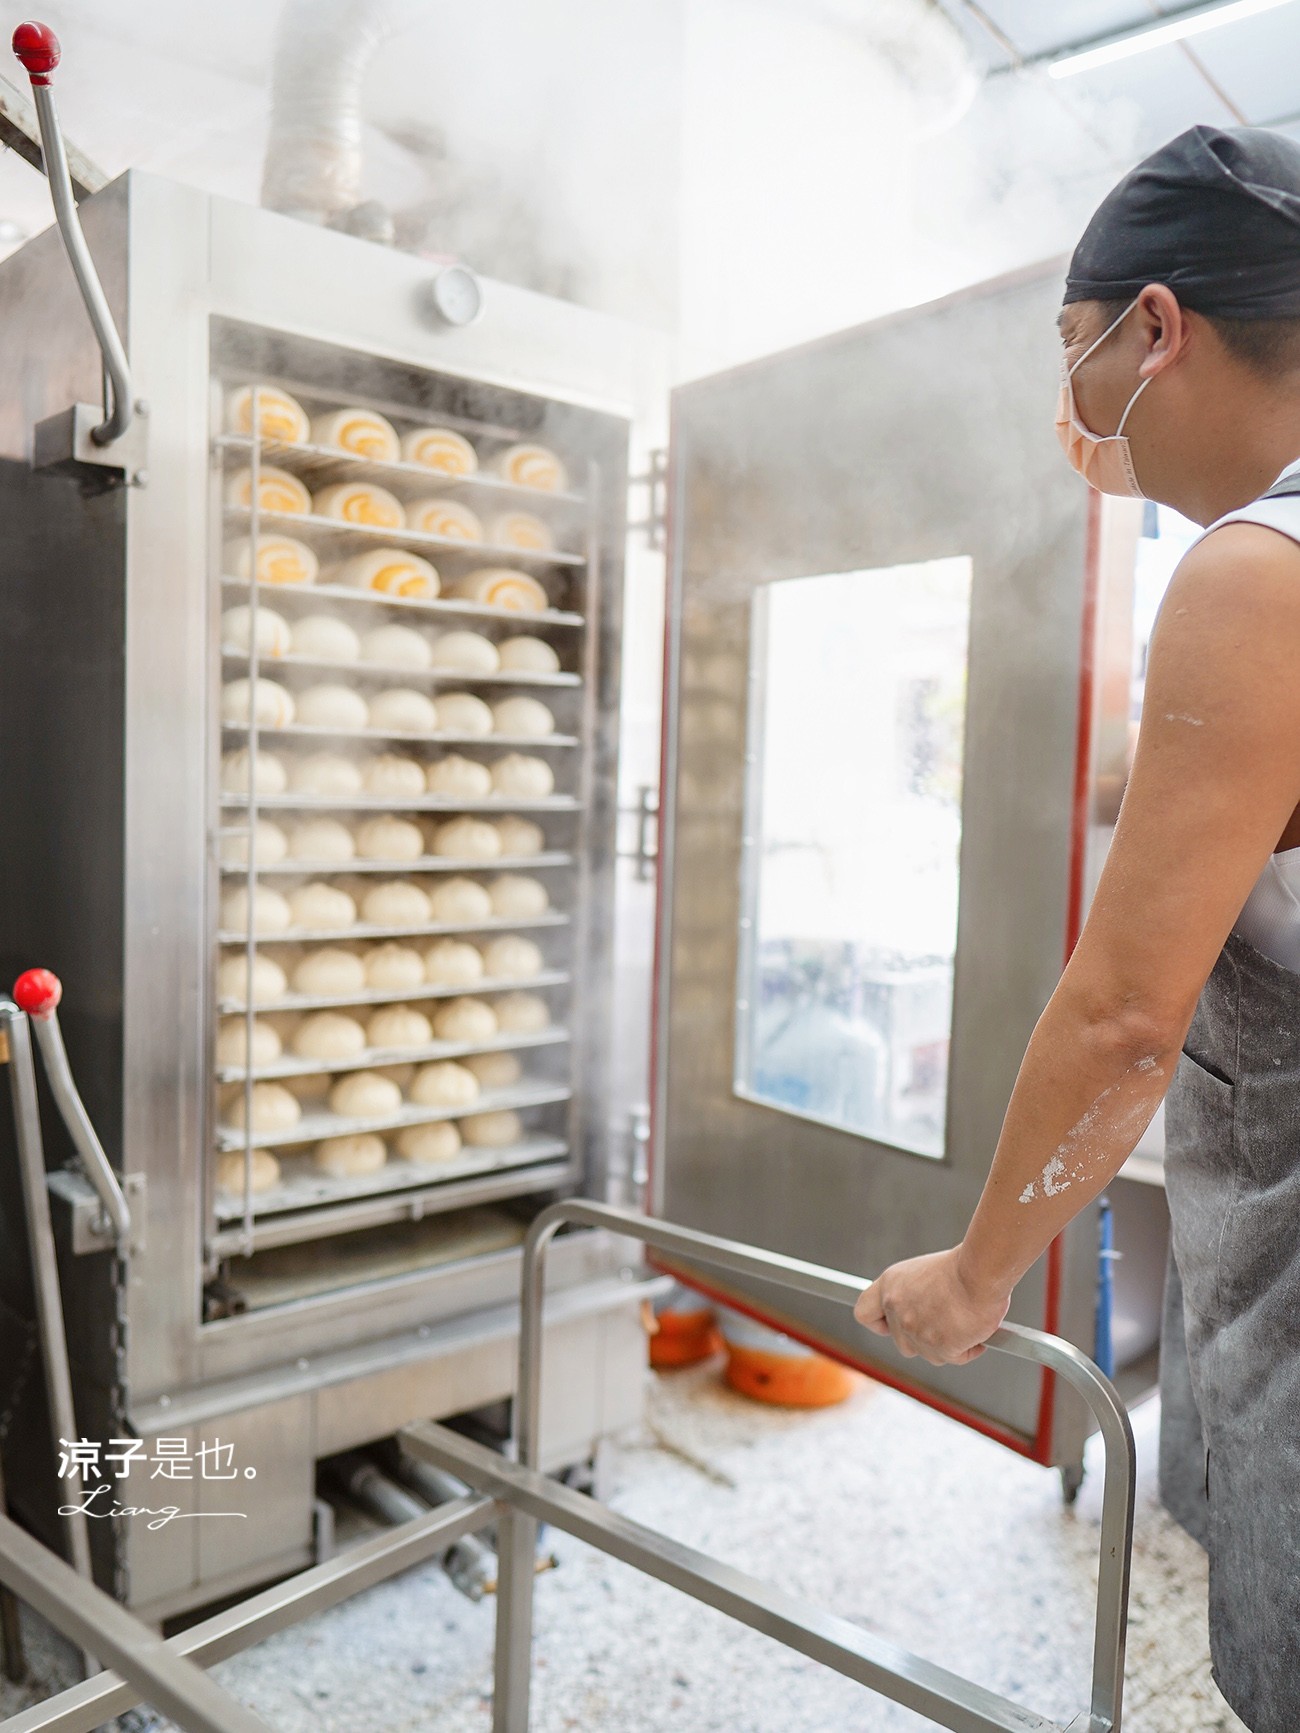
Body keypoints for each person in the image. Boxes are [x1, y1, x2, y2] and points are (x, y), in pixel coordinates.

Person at [853, 123, 1300, 1733]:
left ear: (1157, 329)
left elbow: (1124, 1012)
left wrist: (979, 1274)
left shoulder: (1258, 573)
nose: (1076, 413)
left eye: (1081, 357)